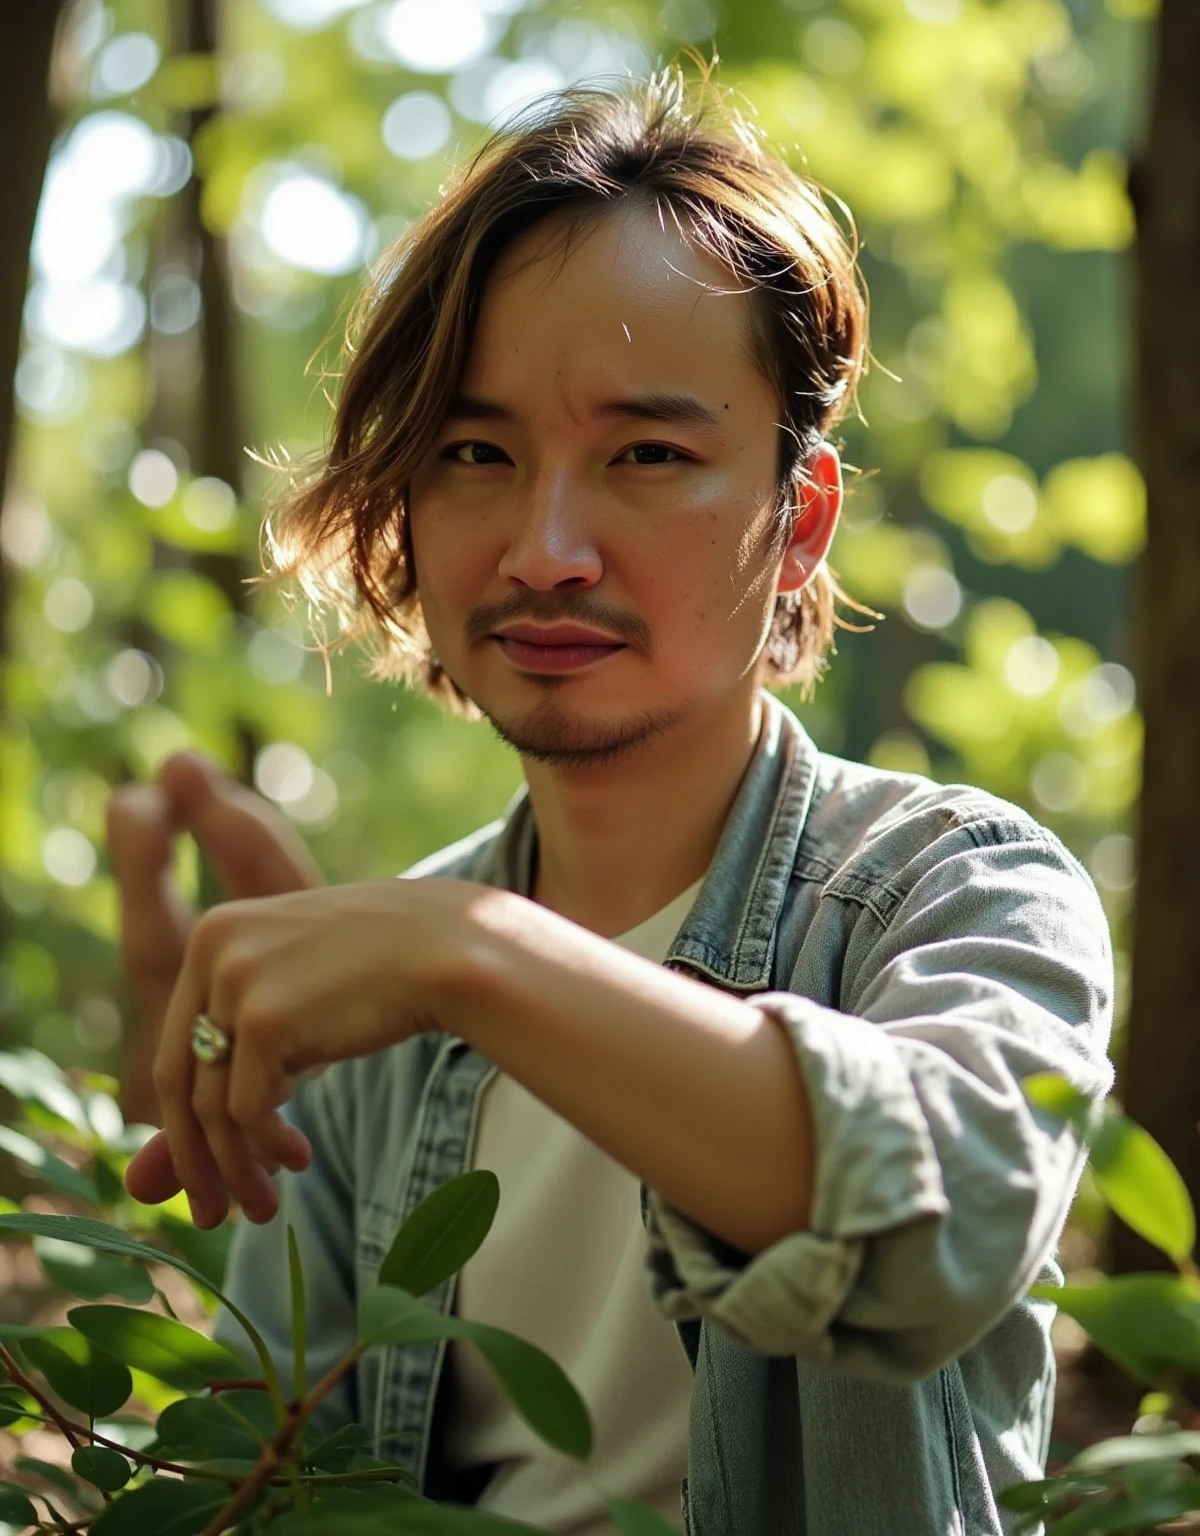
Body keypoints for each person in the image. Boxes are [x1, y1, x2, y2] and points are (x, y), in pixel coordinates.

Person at [109, 67, 1114, 1536]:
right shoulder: (378, 1032)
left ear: (801, 517)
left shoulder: (954, 891)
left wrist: (470, 954)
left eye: (648, 453)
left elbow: (938, 1229)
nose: (548, 545)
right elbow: (268, 1482)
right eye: (474, 454)